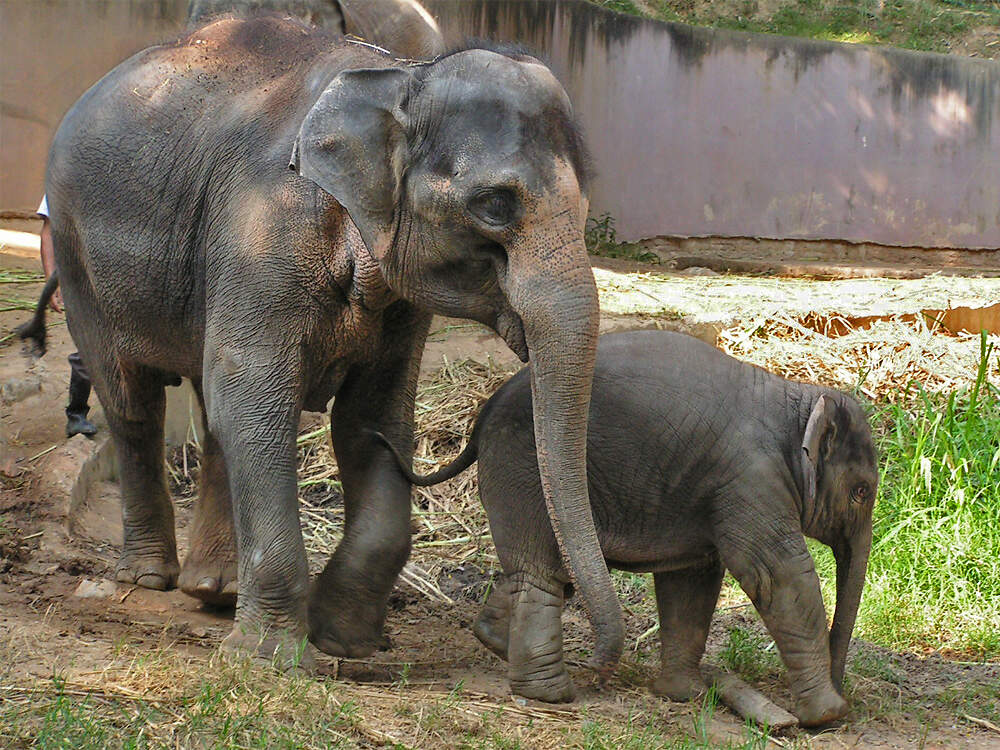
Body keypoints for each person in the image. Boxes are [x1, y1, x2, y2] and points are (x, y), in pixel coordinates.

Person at [36, 196, 98, 437]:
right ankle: (77, 413)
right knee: (88, 346)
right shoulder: (66, 173)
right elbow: (49, 231)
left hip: (121, 277)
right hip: (80, 278)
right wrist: (51, 280)